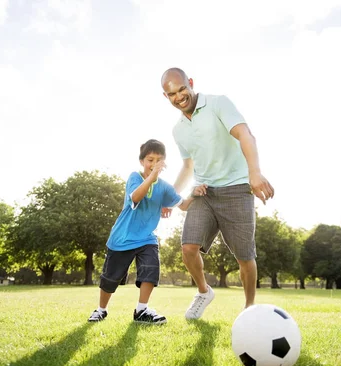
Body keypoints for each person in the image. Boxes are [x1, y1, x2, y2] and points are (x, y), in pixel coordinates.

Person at [160, 68, 274, 320]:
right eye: (172, 94)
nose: (179, 97)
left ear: (190, 83)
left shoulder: (218, 103)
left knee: (245, 257)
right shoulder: (178, 130)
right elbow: (188, 166)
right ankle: (203, 291)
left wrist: (254, 173)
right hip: (205, 192)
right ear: (165, 96)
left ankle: (249, 308)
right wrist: (171, 196)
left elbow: (245, 134)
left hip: (237, 189)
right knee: (188, 247)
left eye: (182, 89)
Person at [88, 139, 198, 324]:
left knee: (150, 270)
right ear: (142, 161)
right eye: (150, 159)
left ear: (164, 163)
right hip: (122, 238)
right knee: (110, 279)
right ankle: (101, 310)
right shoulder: (134, 177)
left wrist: (196, 192)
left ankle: (141, 310)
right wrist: (151, 178)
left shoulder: (164, 187)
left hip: (147, 238)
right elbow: (136, 197)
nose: (154, 164)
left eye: (159, 160)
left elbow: (184, 205)